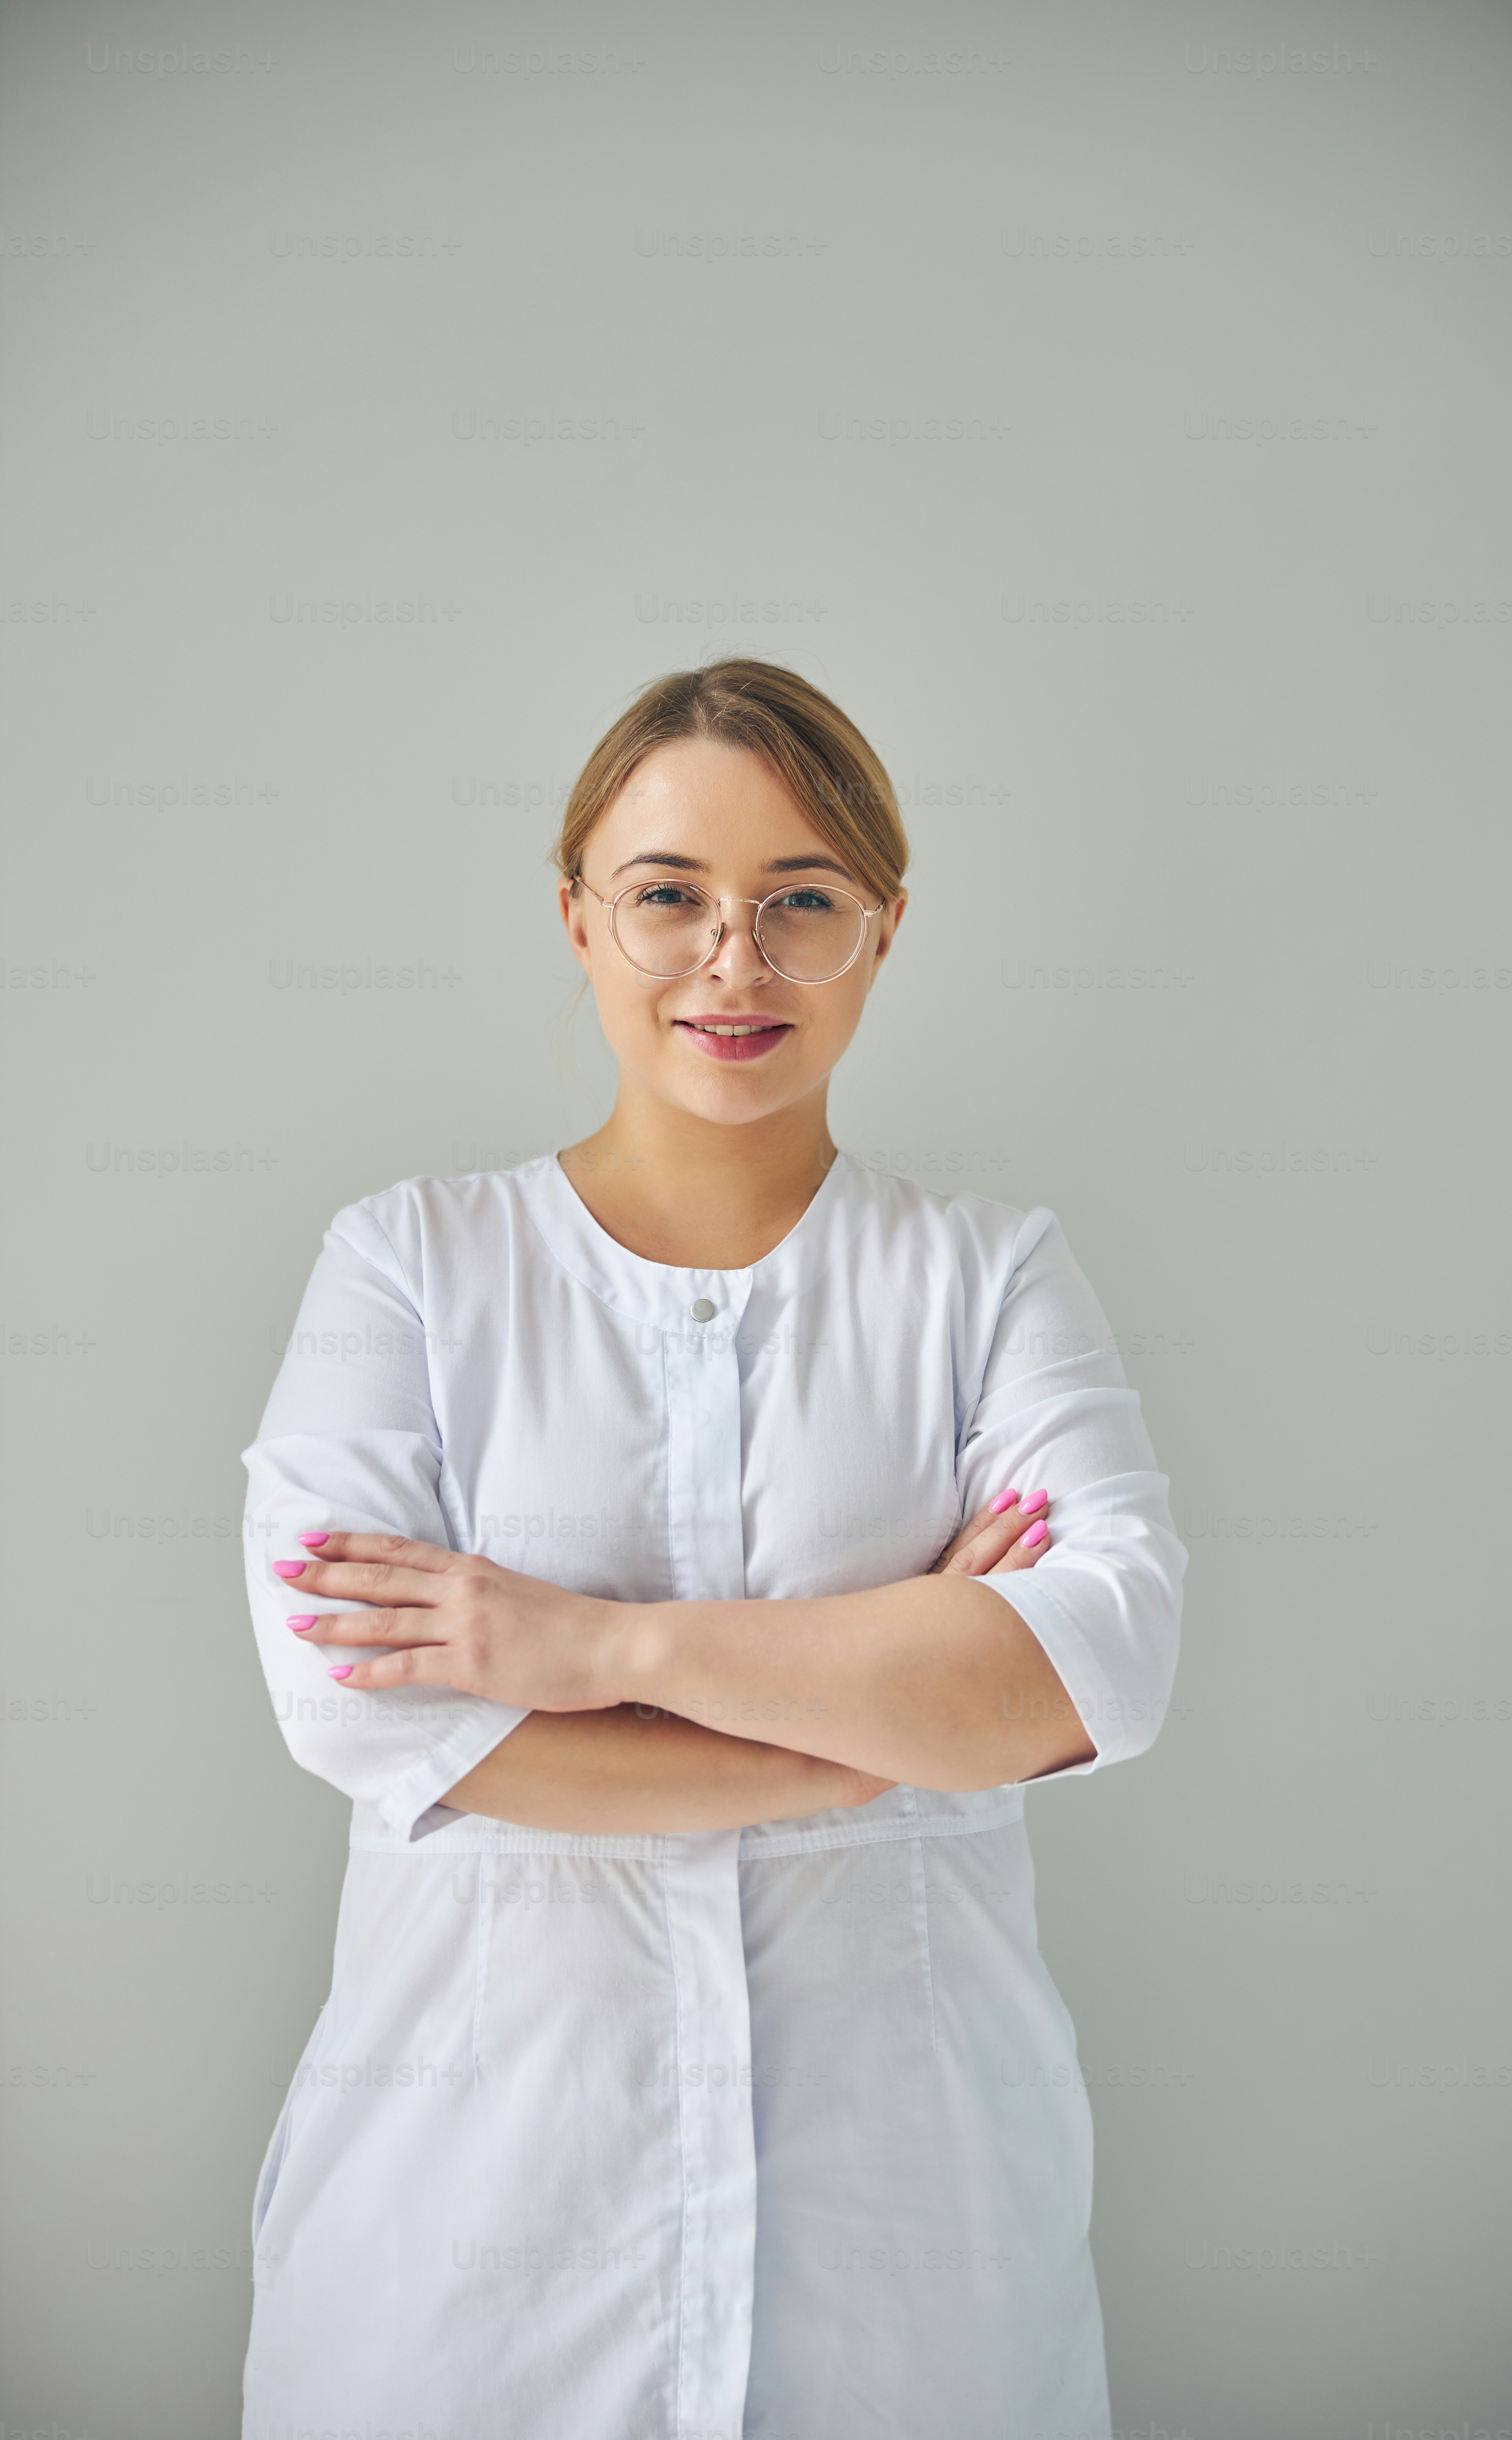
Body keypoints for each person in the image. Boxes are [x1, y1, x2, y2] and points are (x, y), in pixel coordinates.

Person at [240, 657, 1187, 2438]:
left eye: (799, 903)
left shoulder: (989, 1280)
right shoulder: (407, 1269)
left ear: (883, 931)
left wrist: (598, 1653)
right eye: (669, 897)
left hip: (906, 2254)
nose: (732, 962)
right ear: (579, 919)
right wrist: (879, 1728)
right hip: (471, 2244)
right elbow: (360, 1710)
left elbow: (1098, 1665)